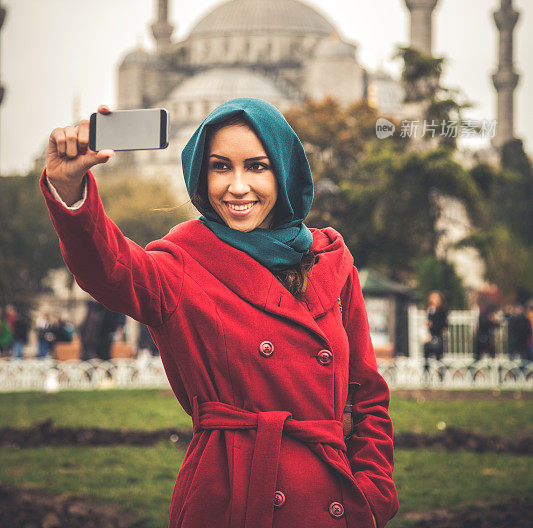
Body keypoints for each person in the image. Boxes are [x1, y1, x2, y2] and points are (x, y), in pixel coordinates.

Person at [41, 98, 398, 528]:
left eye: (257, 166)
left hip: (334, 500)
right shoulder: (182, 264)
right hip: (229, 496)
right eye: (220, 167)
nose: (238, 186)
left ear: (285, 171)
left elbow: (367, 395)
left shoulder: (333, 262)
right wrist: (70, 192)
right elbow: (111, 271)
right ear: (200, 174)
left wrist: (374, 495)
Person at [422, 291, 448, 379]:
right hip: (431, 338)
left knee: (439, 357)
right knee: (426, 354)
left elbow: (443, 325)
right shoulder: (431, 310)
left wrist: (432, 325)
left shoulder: (442, 312)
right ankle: (426, 375)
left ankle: (441, 376)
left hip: (439, 338)